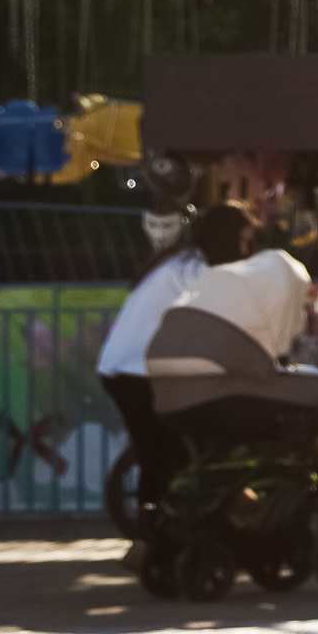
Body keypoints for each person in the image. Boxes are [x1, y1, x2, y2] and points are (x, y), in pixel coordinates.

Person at [97, 201, 258, 526]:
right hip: (136, 372)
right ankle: (154, 533)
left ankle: (164, 527)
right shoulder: (194, 271)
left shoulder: (182, 262)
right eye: (244, 240)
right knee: (161, 454)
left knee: (163, 451)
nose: (247, 249)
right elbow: (221, 321)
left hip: (127, 368)